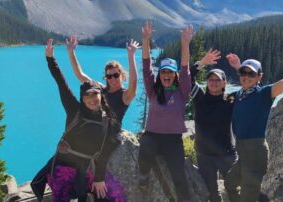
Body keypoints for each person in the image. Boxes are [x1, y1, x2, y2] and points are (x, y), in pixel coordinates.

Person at [31, 39, 126, 202]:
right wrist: (50, 59)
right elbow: (61, 83)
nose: (91, 99)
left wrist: (99, 177)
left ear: (100, 95)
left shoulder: (107, 118)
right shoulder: (74, 110)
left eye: (94, 94)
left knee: (117, 195)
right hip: (63, 167)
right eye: (87, 96)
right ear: (82, 98)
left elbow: (105, 151)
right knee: (61, 197)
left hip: (88, 168)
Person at [224, 35, 283, 202]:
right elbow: (244, 82)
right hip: (242, 151)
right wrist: (239, 65)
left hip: (255, 151)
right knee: (230, 183)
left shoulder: (264, 94)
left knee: (248, 195)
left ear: (260, 76)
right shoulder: (239, 95)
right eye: (243, 73)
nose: (246, 76)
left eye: (251, 74)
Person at [138, 21, 193, 202]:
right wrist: (145, 41)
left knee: (179, 176)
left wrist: (185, 44)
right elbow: (146, 68)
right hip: (152, 136)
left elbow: (185, 69)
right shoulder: (152, 90)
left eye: (170, 72)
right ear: (160, 75)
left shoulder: (182, 91)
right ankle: (144, 177)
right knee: (145, 150)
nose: (166, 75)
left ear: (175, 75)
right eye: (163, 72)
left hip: (173, 140)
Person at [190, 49, 238, 202]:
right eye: (211, 79)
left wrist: (239, 67)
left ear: (224, 83)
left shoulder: (231, 100)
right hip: (204, 156)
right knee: (212, 194)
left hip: (227, 154)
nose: (213, 82)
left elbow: (252, 89)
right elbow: (186, 78)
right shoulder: (200, 98)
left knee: (234, 189)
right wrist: (202, 63)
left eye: (218, 80)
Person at [66, 35, 138, 124]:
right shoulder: (100, 89)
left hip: (110, 134)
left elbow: (133, 83)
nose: (112, 79)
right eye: (109, 76)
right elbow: (80, 75)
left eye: (116, 75)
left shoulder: (124, 96)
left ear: (122, 76)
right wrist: (71, 52)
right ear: (106, 78)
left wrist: (131, 56)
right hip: (94, 129)